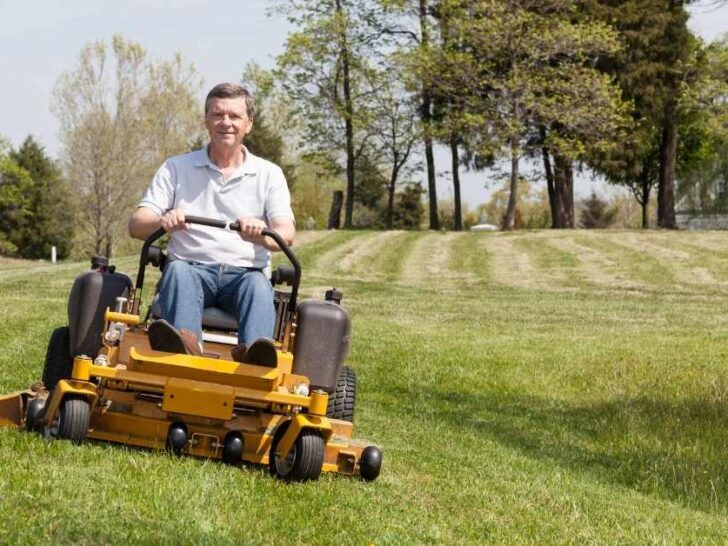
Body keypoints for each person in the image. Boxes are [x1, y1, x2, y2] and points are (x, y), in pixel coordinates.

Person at [128, 82, 295, 361]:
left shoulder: (269, 174)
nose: (225, 123)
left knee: (258, 286)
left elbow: (286, 234)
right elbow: (136, 225)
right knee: (178, 272)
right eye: (218, 115)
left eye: (234, 116)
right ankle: (186, 350)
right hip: (191, 270)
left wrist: (262, 233)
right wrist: (163, 220)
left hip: (245, 274)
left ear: (249, 124)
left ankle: (254, 358)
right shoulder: (176, 167)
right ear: (206, 120)